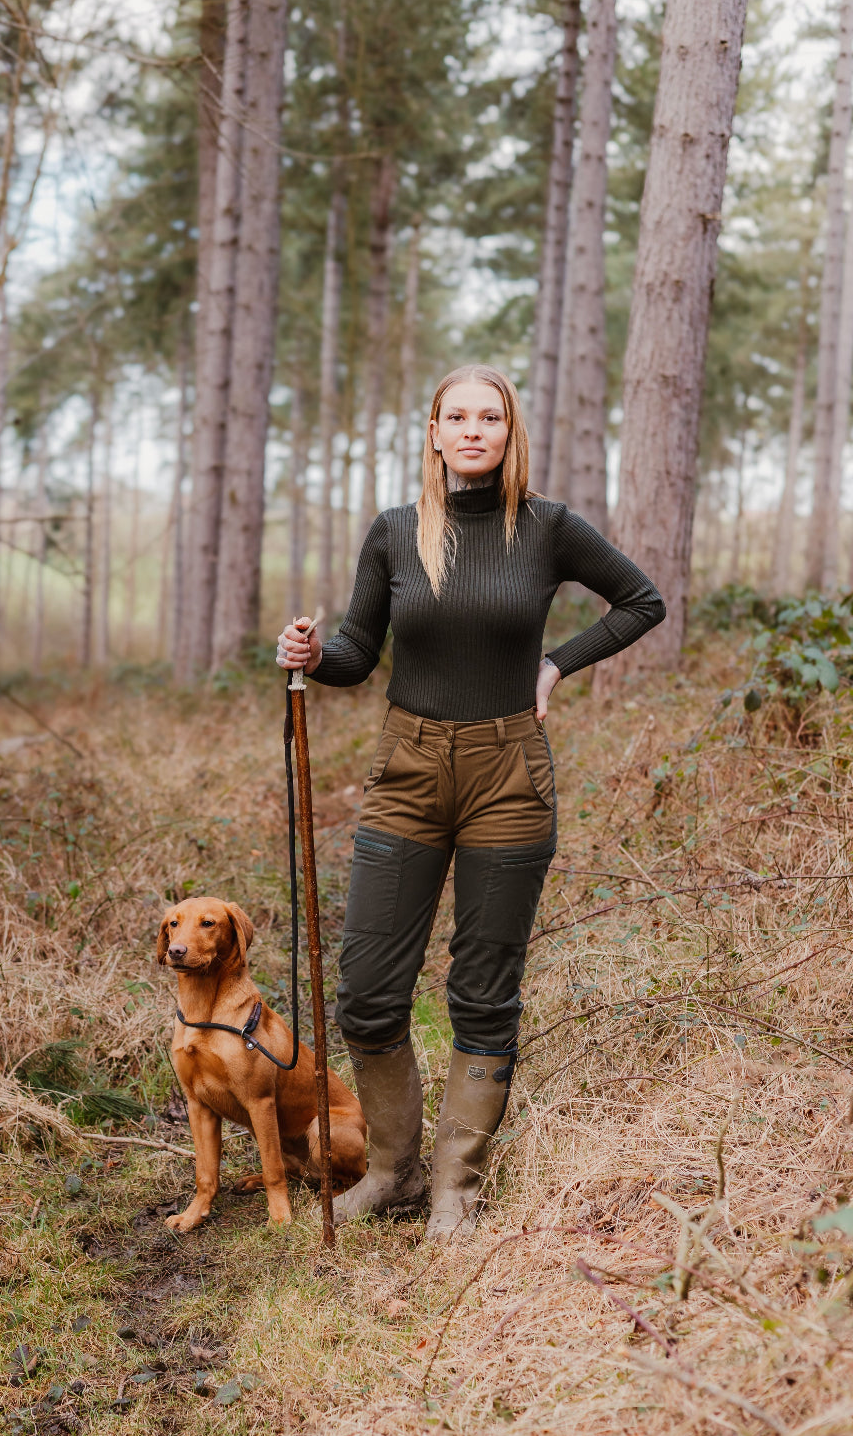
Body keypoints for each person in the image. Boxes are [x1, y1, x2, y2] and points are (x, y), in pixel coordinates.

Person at [276, 363, 665, 1240]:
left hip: (508, 777)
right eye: (457, 416)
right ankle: (391, 1170)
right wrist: (306, 654)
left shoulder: (548, 528)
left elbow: (643, 600)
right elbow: (354, 652)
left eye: (490, 416)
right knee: (370, 993)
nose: (474, 430)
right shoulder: (395, 532)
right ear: (434, 431)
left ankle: (457, 1185)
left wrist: (557, 663)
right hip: (407, 771)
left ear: (509, 430)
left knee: (484, 991)